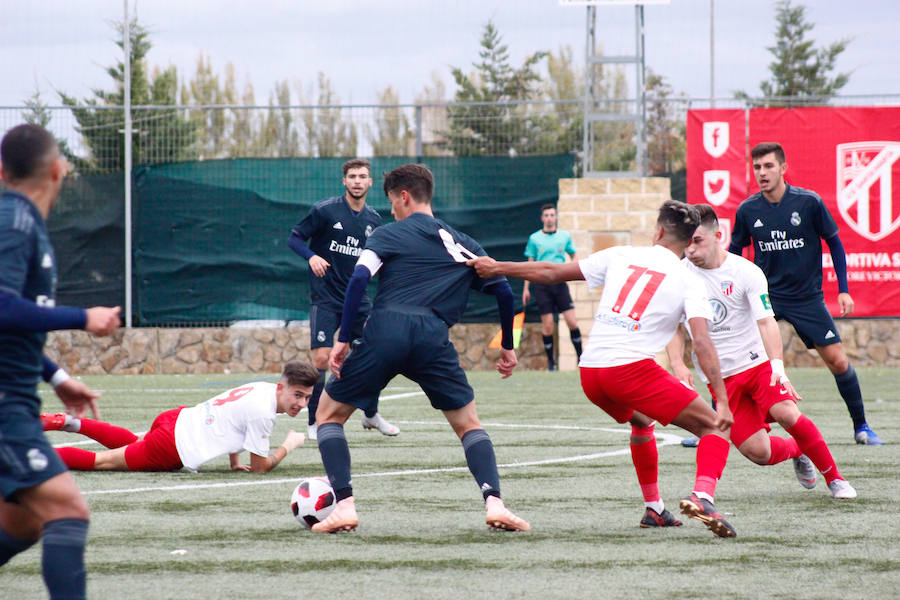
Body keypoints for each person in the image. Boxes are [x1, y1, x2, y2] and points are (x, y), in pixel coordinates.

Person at [470, 200, 738, 538]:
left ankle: (654, 509)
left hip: (592, 372)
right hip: (629, 371)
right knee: (716, 427)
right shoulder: (690, 280)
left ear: (657, 231)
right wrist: (723, 400)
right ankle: (702, 495)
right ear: (688, 242)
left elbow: (551, 273)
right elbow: (701, 341)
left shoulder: (620, 254)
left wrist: (496, 267)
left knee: (642, 422)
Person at [309, 163, 529, 534]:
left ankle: (344, 505)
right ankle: (495, 502)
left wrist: (343, 338)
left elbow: (360, 278)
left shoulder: (386, 234)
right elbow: (505, 293)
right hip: (433, 336)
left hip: (385, 330)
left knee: (328, 416)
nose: (392, 209)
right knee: (468, 425)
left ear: (404, 197)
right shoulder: (461, 243)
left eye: (393, 202)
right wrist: (508, 346)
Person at [0, 123, 121, 600]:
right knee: (68, 510)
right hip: (5, 405)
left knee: (26, 521)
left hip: (17, 397)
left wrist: (56, 375)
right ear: (59, 169)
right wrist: (84, 317)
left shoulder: (21, 218)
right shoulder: (14, 221)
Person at [667, 204, 856, 499]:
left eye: (698, 241)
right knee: (758, 453)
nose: (690, 249)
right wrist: (678, 364)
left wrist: (777, 368)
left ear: (718, 235)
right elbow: (674, 326)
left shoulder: (745, 271)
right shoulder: (677, 275)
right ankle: (797, 451)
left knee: (787, 414)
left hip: (756, 365)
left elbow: (767, 322)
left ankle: (835, 479)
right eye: (686, 242)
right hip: (720, 379)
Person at [730, 142, 882, 446]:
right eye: (757, 167)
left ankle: (862, 426)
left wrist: (844, 290)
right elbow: (733, 254)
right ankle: (716, 422)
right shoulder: (748, 210)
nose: (762, 173)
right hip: (765, 298)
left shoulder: (808, 203)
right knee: (737, 361)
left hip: (805, 298)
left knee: (838, 361)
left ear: (783, 168)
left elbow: (835, 243)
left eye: (768, 166)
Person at [287, 158, 398, 440]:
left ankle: (370, 413)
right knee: (321, 359)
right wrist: (311, 256)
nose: (357, 181)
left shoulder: (374, 219)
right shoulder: (325, 211)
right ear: (344, 181)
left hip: (359, 301)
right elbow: (295, 238)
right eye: (352, 176)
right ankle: (314, 422)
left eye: (362, 176)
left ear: (370, 182)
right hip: (325, 297)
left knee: (375, 355)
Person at [43, 361, 318, 473]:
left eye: (307, 397)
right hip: (173, 445)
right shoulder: (265, 412)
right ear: (282, 387)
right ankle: (34, 457)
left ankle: (68, 422)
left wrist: (234, 461)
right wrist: (289, 446)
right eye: (297, 395)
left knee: (131, 444)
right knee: (104, 462)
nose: (302, 403)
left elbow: (232, 417)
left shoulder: (264, 389)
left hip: (175, 419)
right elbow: (260, 467)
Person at [522, 204, 583, 370]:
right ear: (542, 218)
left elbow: (573, 253)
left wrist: (574, 265)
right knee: (548, 325)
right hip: (542, 286)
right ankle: (551, 364)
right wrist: (526, 289)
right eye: (546, 215)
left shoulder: (564, 236)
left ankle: (581, 359)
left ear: (556, 217)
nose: (549, 218)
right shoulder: (535, 239)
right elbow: (530, 264)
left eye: (552, 215)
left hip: (560, 284)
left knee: (572, 322)